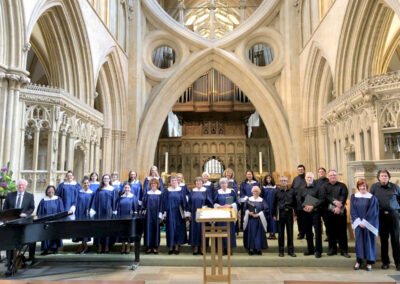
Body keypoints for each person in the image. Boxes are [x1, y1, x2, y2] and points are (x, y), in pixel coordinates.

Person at [3, 179, 35, 275]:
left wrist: (26, 214)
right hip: (10, 224)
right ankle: (9, 263)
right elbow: (5, 208)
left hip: (23, 224)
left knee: (20, 242)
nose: (21, 186)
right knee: (9, 243)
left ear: (26, 186)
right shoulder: (10, 195)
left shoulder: (29, 196)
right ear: (17, 186)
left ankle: (20, 259)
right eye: (19, 185)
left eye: (23, 185)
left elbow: (31, 208)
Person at [370, 169, 400, 271]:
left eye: (386, 176)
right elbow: (370, 200)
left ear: (389, 177)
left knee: (395, 240)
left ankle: (398, 263)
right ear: (378, 177)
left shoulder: (395, 187)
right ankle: (385, 262)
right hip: (380, 216)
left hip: (393, 216)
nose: (384, 177)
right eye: (382, 176)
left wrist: (397, 212)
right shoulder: (374, 187)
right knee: (383, 240)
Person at [351, 179, 379, 271]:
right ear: (358, 187)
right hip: (358, 224)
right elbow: (353, 210)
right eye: (360, 186)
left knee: (369, 243)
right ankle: (358, 262)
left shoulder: (372, 198)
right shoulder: (354, 197)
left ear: (367, 186)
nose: (362, 187)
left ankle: (369, 263)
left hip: (368, 224)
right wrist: (358, 222)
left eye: (364, 186)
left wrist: (364, 222)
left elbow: (373, 212)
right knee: (359, 243)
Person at [323, 170, 350, 258]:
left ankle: (344, 250)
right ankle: (332, 249)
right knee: (330, 232)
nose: (332, 177)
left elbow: (344, 195)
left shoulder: (342, 185)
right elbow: (325, 196)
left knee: (342, 231)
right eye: (331, 175)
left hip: (340, 211)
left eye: (334, 175)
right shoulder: (325, 186)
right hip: (328, 212)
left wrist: (338, 207)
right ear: (328, 176)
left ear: (337, 176)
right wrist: (334, 202)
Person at [90, 174, 118, 253]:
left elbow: (115, 201)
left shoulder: (113, 189)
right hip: (99, 211)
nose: (106, 180)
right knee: (99, 228)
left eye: (107, 178)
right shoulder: (99, 189)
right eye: (104, 178)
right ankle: (99, 246)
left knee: (107, 228)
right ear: (102, 180)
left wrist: (114, 210)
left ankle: (106, 246)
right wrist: (93, 210)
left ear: (109, 180)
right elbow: (95, 200)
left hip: (108, 212)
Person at [300, 172, 325, 258]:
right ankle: (310, 249)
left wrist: (313, 206)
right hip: (305, 212)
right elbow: (299, 199)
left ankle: (318, 251)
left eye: (310, 177)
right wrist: (303, 207)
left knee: (317, 232)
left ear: (313, 178)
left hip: (315, 212)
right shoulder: (302, 189)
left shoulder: (318, 188)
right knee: (308, 232)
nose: (309, 179)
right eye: (307, 177)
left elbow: (321, 199)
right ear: (305, 179)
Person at [213, 177, 239, 255]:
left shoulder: (232, 191)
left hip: (229, 214)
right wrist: (219, 206)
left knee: (229, 231)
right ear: (220, 185)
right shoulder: (217, 192)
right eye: (222, 183)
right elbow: (214, 203)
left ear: (227, 184)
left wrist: (230, 205)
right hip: (220, 215)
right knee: (220, 231)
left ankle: (229, 248)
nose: (223, 185)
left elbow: (236, 202)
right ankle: (221, 249)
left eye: (225, 183)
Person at [187, 177, 213, 255]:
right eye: (197, 182)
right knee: (194, 230)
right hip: (194, 214)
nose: (198, 183)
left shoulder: (206, 191)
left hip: (203, 214)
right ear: (195, 183)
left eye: (200, 182)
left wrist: (205, 208)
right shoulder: (192, 191)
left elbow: (210, 202)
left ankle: (202, 247)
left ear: (202, 183)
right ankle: (195, 247)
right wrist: (189, 214)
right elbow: (189, 203)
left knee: (203, 230)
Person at [37, 185, 65, 255]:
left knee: (54, 234)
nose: (50, 192)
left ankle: (54, 249)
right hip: (46, 222)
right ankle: (45, 249)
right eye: (49, 190)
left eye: (52, 190)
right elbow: (39, 212)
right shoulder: (43, 201)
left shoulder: (58, 199)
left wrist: (59, 219)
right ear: (46, 192)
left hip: (55, 221)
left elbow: (61, 210)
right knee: (45, 235)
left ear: (54, 191)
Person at [163, 175, 187, 254]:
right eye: (172, 180)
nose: (173, 182)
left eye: (175, 180)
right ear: (170, 182)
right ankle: (171, 246)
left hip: (178, 213)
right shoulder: (167, 191)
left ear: (178, 181)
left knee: (178, 230)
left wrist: (185, 213)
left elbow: (184, 202)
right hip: (170, 213)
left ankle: (176, 246)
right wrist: (164, 214)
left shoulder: (181, 190)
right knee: (170, 229)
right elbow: (164, 202)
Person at [273, 176, 297, 257]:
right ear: (279, 182)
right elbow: (274, 204)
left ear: (287, 182)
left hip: (289, 213)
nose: (283, 182)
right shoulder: (276, 191)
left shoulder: (292, 191)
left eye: (285, 180)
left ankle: (291, 251)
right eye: (282, 181)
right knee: (281, 233)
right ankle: (281, 251)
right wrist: (274, 214)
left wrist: (295, 215)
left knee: (290, 233)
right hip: (280, 213)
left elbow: (295, 204)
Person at [243, 186, 269, 255]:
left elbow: (266, 210)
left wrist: (259, 214)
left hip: (259, 220)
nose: (255, 192)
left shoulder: (262, 200)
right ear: (252, 192)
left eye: (257, 191)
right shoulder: (249, 200)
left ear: (259, 192)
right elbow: (244, 209)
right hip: (251, 220)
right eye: (254, 191)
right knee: (251, 234)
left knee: (258, 235)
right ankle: (251, 249)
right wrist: (248, 212)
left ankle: (258, 249)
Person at [142, 178, 163, 254]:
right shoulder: (147, 193)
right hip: (148, 215)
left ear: (157, 185)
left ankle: (155, 247)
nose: (154, 185)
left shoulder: (160, 194)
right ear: (150, 185)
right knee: (148, 230)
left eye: (155, 184)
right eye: (152, 184)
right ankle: (149, 247)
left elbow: (161, 205)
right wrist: (143, 212)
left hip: (156, 215)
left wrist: (160, 215)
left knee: (156, 230)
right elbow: (143, 204)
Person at [116, 183, 139, 254]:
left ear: (130, 188)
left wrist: (134, 216)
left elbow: (135, 208)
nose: (127, 189)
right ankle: (123, 246)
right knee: (122, 232)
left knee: (128, 232)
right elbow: (118, 207)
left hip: (129, 217)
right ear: (123, 188)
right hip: (122, 217)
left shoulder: (133, 197)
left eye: (128, 188)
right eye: (125, 187)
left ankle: (128, 246)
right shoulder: (121, 197)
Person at [74, 177, 94, 254]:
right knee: (80, 229)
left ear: (89, 184)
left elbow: (93, 203)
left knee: (85, 229)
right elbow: (76, 201)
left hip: (87, 213)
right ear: (83, 184)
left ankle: (84, 245)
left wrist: (90, 211)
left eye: (87, 183)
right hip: (80, 212)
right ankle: (84, 245)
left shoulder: (92, 193)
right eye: (85, 183)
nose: (86, 184)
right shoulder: (79, 192)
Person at [291, 164, 306, 239]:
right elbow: (292, 190)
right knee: (299, 219)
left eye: (301, 169)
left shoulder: (307, 178)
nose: (300, 170)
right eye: (299, 169)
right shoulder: (295, 179)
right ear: (297, 170)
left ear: (304, 170)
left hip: (306, 203)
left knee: (307, 219)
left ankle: (309, 232)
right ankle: (301, 233)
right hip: (297, 203)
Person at [315, 167, 329, 242]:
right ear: (318, 173)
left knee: (326, 221)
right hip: (317, 204)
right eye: (319, 172)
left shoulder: (328, 181)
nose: (321, 173)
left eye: (322, 172)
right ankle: (318, 235)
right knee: (317, 222)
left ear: (325, 173)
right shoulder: (315, 182)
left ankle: (328, 235)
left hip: (326, 205)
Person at [262, 174, 278, 240]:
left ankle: (273, 233)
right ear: (265, 180)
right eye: (267, 178)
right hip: (266, 205)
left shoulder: (275, 187)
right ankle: (269, 233)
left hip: (273, 205)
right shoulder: (263, 188)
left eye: (269, 178)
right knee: (267, 219)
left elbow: (277, 196)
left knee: (273, 220)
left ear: (272, 179)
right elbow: (261, 196)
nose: (268, 180)